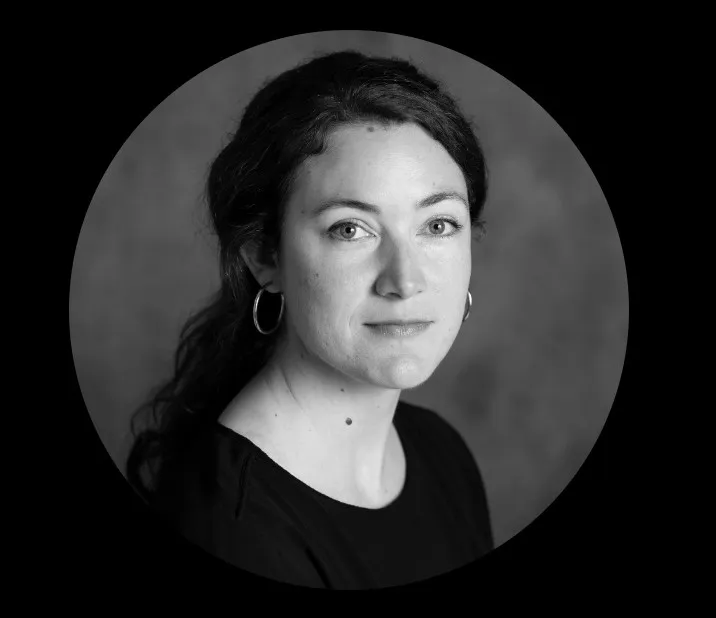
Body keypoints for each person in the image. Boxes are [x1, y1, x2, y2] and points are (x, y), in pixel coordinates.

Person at [126, 49, 494, 589]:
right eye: (350, 229)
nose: (405, 280)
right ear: (264, 257)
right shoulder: (234, 526)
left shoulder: (441, 453)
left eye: (438, 225)